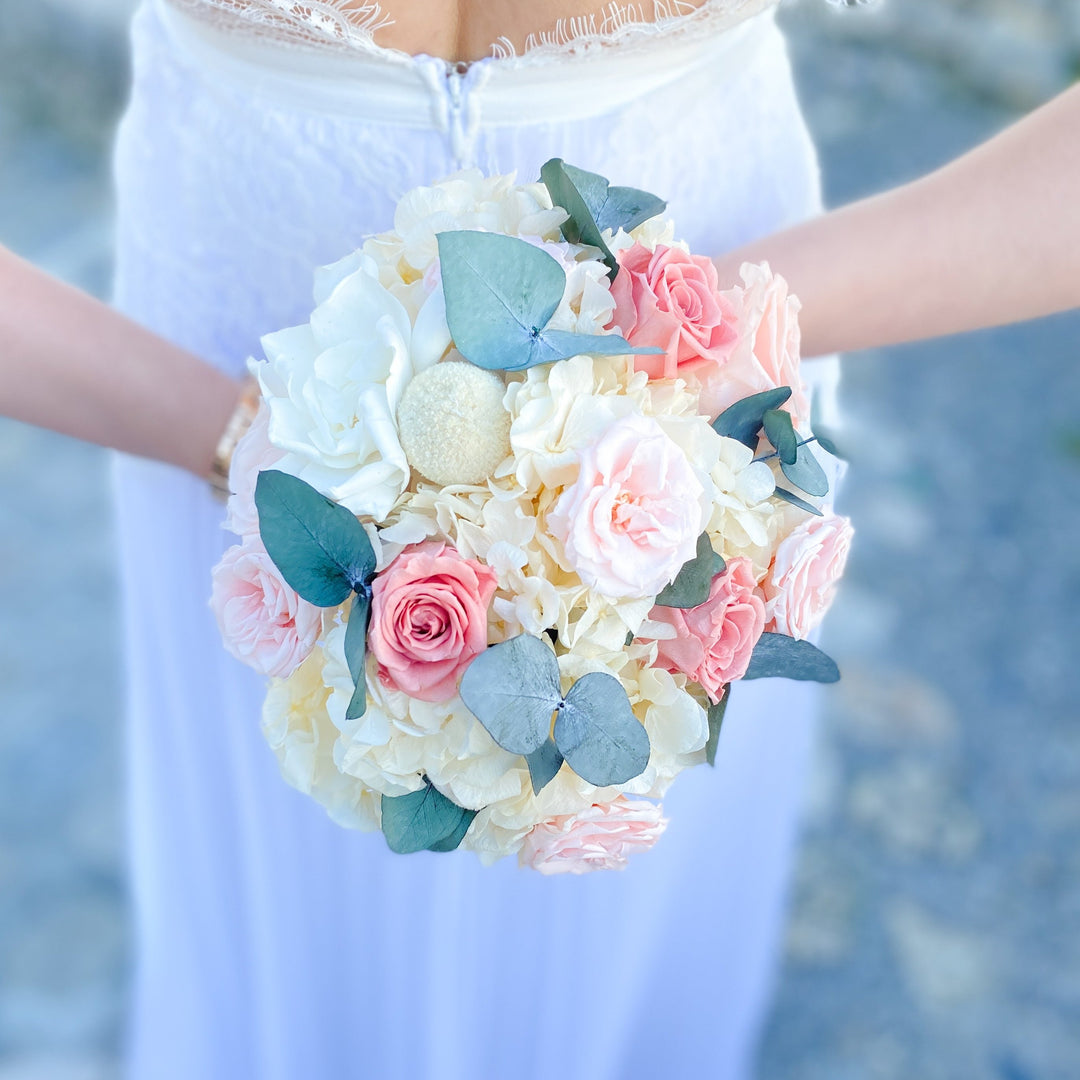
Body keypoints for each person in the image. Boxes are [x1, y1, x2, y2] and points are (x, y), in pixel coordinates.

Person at [0, 2, 1075, 1077]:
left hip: (698, 394)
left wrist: (705, 332)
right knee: (282, 849)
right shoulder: (227, 433)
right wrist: (218, 431)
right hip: (234, 367)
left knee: (627, 874)